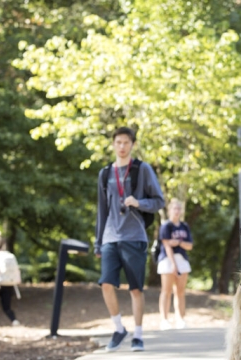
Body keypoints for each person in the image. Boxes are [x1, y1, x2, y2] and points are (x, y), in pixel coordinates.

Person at [95, 126, 165, 352]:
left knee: (135, 289)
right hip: (110, 236)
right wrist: (98, 241)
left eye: (126, 142)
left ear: (132, 144)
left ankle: (138, 334)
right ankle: (118, 328)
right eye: (118, 143)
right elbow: (101, 210)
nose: (122, 147)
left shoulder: (142, 169)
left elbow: (159, 201)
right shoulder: (105, 173)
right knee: (106, 283)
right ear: (113, 144)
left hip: (134, 236)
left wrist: (138, 202)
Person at [157, 199, 194, 330]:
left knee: (180, 291)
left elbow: (189, 245)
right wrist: (173, 265)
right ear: (170, 210)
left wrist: (178, 242)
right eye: (175, 209)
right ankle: (164, 319)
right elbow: (167, 245)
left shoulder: (184, 226)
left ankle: (180, 318)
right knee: (166, 291)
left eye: (179, 209)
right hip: (168, 260)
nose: (177, 211)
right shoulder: (166, 226)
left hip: (182, 259)